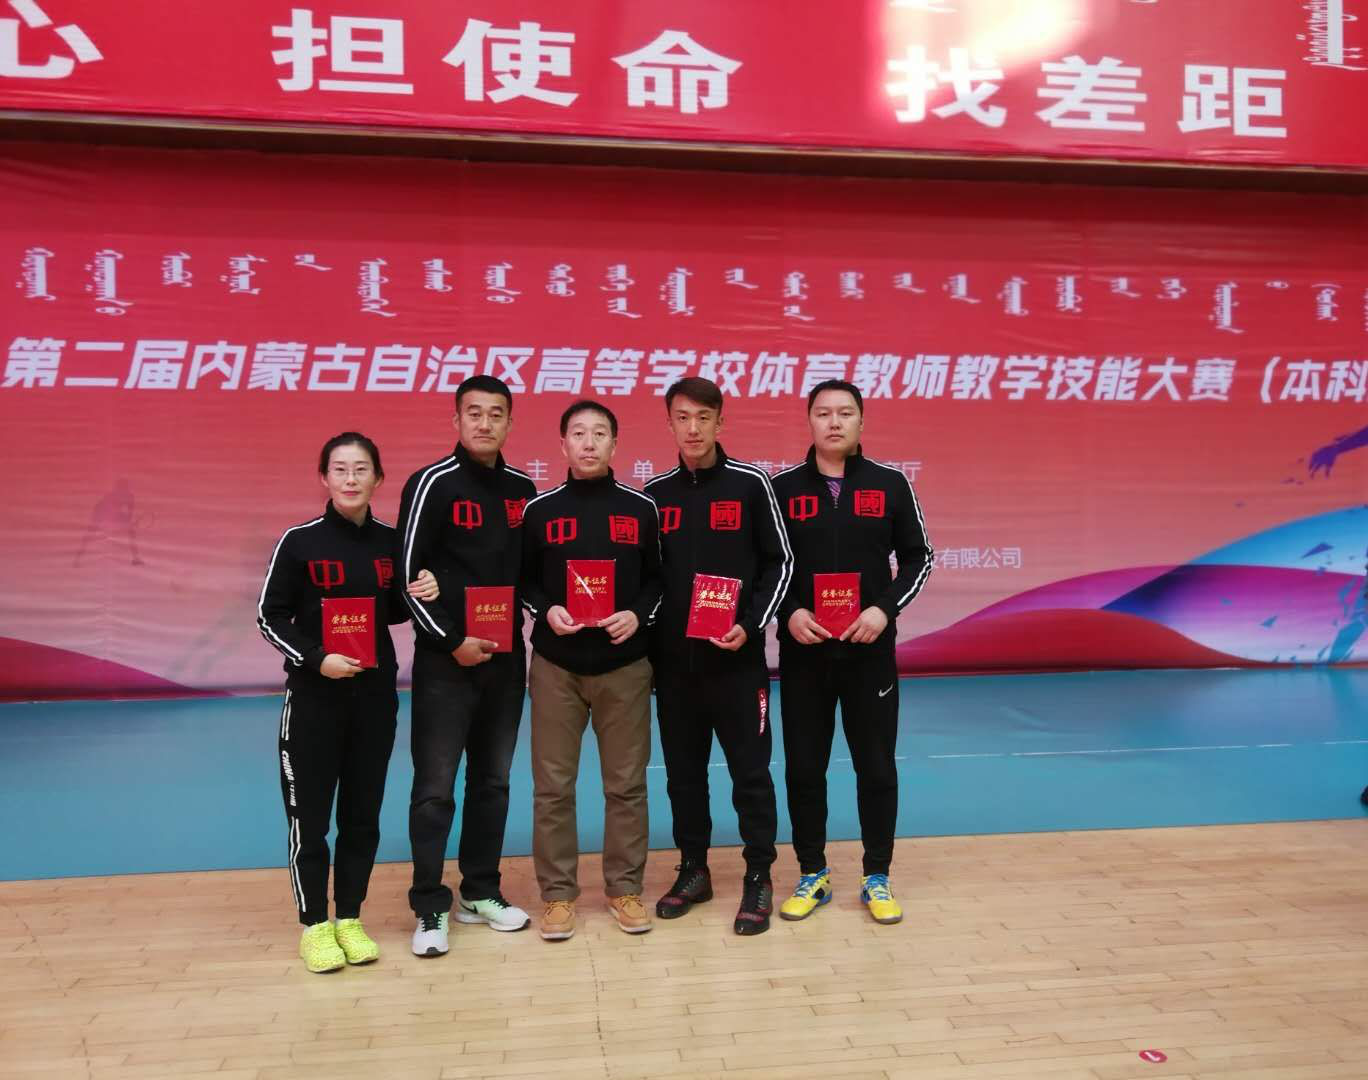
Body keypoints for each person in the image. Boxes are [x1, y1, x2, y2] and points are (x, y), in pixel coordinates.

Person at [257, 432, 439, 973]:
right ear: (324, 478)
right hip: (314, 700)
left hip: (374, 701)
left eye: (361, 469)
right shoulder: (299, 542)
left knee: (362, 817)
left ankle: (350, 918)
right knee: (310, 820)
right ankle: (315, 924)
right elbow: (270, 616)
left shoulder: (392, 542)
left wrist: (425, 587)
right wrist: (317, 659)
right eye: (340, 469)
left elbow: (397, 608)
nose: (351, 479)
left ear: (378, 479)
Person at [770, 380, 933, 926]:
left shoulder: (890, 484)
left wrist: (883, 610)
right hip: (805, 653)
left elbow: (918, 558)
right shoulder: (781, 489)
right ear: (809, 421)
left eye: (845, 413)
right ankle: (812, 873)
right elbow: (767, 565)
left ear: (862, 421)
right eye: (823, 413)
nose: (834, 422)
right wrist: (790, 612)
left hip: (869, 652)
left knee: (876, 766)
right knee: (804, 768)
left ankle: (877, 875)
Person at [644, 377, 792, 935]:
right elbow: (648, 579)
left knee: (750, 774)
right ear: (669, 423)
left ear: (720, 422)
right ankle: (694, 871)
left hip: (737, 664)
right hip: (675, 669)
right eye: (683, 418)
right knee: (683, 777)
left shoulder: (752, 485)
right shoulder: (654, 496)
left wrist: (748, 624)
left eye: (704, 417)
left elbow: (780, 563)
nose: (693, 428)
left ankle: (759, 875)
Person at [397, 375, 538, 957]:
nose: (484, 423)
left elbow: (532, 573)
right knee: (434, 789)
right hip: (445, 665)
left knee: (493, 782)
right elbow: (407, 575)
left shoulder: (523, 489)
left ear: (509, 423)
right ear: (456, 420)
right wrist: (451, 639)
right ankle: (430, 904)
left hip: (505, 661)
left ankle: (480, 891)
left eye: (496, 414)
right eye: (474, 413)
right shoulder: (431, 483)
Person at [520, 400, 663, 941]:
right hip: (556, 667)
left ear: (614, 444)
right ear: (562, 444)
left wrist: (638, 614)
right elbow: (523, 581)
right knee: (552, 788)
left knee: (626, 786)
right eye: (578, 433)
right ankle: (558, 896)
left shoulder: (641, 508)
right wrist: (546, 610)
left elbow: (659, 580)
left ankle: (625, 889)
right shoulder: (540, 511)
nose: (588, 442)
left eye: (599, 433)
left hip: (625, 666)